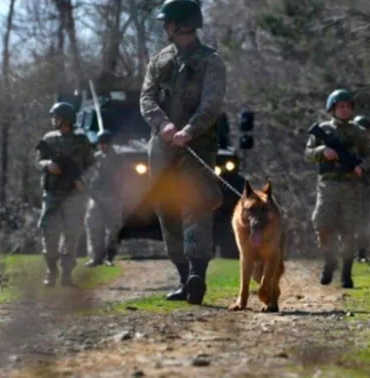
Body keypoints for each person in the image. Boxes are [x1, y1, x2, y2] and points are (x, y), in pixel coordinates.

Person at [140, 0, 226, 305]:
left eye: (168, 22)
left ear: (182, 24)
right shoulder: (159, 60)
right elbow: (147, 98)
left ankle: (197, 275)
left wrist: (189, 130)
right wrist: (163, 124)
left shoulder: (211, 61)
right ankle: (182, 278)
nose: (165, 27)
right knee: (166, 209)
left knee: (196, 205)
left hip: (197, 145)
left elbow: (211, 104)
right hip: (162, 147)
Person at [304, 89, 370, 288]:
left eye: (347, 106)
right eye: (340, 106)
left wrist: (362, 166)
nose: (344, 110)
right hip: (327, 185)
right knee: (322, 224)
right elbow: (307, 154)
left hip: (351, 186)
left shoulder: (359, 132)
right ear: (332, 109)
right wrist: (322, 150)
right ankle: (329, 261)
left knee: (349, 230)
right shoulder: (323, 129)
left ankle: (346, 273)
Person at [35, 101, 94, 287]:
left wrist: (83, 180)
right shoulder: (49, 139)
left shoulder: (81, 141)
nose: (54, 120)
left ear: (67, 120)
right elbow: (38, 161)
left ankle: (67, 274)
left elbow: (91, 165)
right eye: (53, 117)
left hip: (74, 195)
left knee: (71, 235)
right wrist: (48, 165)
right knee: (49, 233)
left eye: (57, 117)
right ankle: (51, 271)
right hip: (52, 193)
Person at [84, 130, 123, 267]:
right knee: (93, 226)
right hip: (96, 196)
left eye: (105, 143)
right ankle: (96, 257)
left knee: (113, 229)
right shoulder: (95, 158)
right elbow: (87, 174)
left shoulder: (118, 158)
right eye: (101, 143)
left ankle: (109, 257)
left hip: (113, 196)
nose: (103, 146)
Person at [352, 115, 370, 262]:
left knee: (362, 221)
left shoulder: (369, 149)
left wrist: (362, 167)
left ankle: (361, 253)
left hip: (363, 188)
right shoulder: (348, 145)